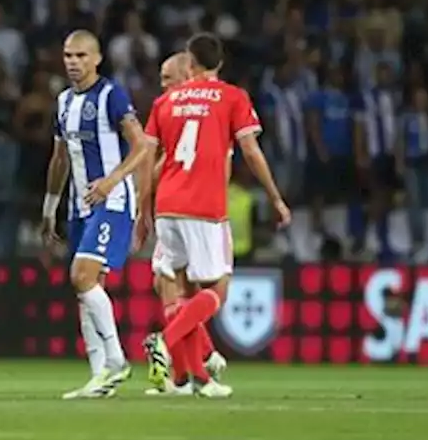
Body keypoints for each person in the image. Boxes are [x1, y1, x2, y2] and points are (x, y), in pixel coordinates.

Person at [96, 33, 290, 398]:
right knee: (218, 289)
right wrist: (276, 197)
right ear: (220, 62)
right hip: (204, 205)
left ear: (190, 63)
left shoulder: (165, 102)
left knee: (178, 289)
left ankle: (190, 379)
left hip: (167, 203)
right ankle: (165, 344)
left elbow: (147, 158)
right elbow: (250, 151)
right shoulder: (232, 97)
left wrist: (143, 209)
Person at [40, 30, 150, 399]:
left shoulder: (110, 95)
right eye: (68, 55)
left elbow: (142, 145)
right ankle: (99, 376)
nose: (73, 62)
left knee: (82, 276)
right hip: (78, 206)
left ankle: (117, 360)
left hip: (113, 200)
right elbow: (59, 159)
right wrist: (49, 208)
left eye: (81, 56)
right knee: (84, 289)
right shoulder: (63, 101)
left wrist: (112, 180)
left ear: (97, 58)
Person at [141, 52, 227, 396]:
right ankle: (188, 375)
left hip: (199, 212)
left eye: (167, 78)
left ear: (189, 75)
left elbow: (221, 166)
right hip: (182, 211)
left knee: (201, 293)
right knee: (175, 289)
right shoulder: (175, 111)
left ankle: (192, 365)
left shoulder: (207, 112)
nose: (162, 86)